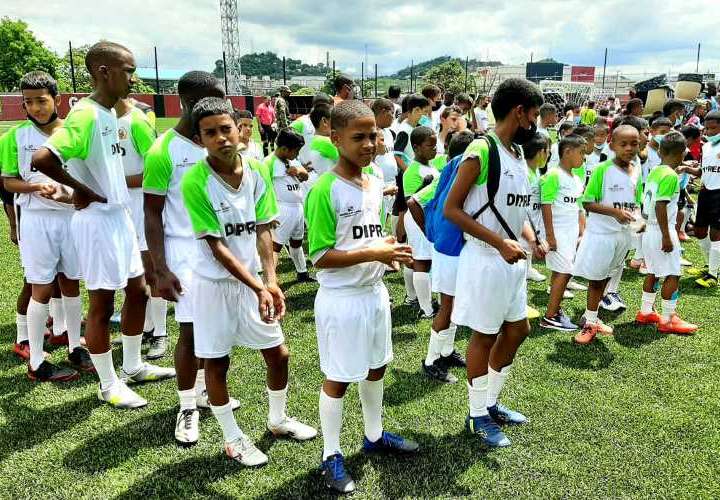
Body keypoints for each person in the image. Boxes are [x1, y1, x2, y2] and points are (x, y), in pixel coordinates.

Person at [31, 41, 175, 406]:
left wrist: (87, 190)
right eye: (128, 71)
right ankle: (108, 385)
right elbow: (43, 157)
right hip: (96, 222)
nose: (133, 78)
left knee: (139, 291)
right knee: (101, 303)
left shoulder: (110, 115)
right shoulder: (85, 115)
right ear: (103, 72)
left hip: (119, 216)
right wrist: (82, 191)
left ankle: (132, 365)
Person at [181, 96, 316, 466]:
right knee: (217, 362)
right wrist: (258, 286)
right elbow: (217, 248)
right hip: (212, 285)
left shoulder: (256, 170)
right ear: (200, 139)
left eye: (226, 129)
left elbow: (262, 231)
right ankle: (233, 438)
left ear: (239, 130)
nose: (222, 138)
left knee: (278, 353)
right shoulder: (196, 181)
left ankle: (277, 419)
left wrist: (270, 280)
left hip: (252, 280)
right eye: (211, 133)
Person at [305, 100, 419, 494]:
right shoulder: (325, 188)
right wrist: (376, 253)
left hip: (374, 295)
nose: (370, 143)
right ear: (335, 138)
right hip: (341, 299)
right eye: (359, 137)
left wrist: (385, 248)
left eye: (373, 135)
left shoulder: (372, 182)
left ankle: (373, 434)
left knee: (376, 368)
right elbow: (320, 256)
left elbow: (364, 238)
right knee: (338, 377)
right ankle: (331, 454)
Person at [444, 78, 546, 448]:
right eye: (534, 115)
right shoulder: (481, 149)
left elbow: (511, 209)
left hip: (511, 259)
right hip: (486, 258)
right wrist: (499, 242)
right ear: (519, 112)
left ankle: (491, 402)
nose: (536, 123)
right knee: (484, 336)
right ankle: (476, 415)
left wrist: (529, 237)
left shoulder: (516, 154)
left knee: (518, 331)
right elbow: (451, 209)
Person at [144, 70, 231, 445]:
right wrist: (159, 268)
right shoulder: (165, 150)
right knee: (191, 331)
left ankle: (205, 392)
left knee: (215, 330)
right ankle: (186, 408)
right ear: (189, 102)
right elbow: (150, 213)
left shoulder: (218, 142)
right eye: (213, 97)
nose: (222, 105)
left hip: (220, 250)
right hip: (184, 252)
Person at [1, 71, 91, 381]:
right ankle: (37, 361)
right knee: (41, 286)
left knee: (71, 282)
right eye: (29, 102)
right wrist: (35, 188)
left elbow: (85, 174)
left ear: (58, 99)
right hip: (37, 220)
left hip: (71, 218)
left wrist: (70, 192)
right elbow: (8, 181)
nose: (36, 107)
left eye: (42, 100)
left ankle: (73, 346)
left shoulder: (73, 133)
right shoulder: (14, 137)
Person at [411, 131, 474, 384]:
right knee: (448, 306)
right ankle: (430, 361)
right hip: (449, 249)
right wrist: (430, 232)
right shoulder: (454, 171)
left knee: (457, 304)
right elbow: (414, 200)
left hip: (459, 247)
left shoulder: (456, 171)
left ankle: (446, 352)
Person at [572, 125, 643, 344]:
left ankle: (591, 316)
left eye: (634, 143)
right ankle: (589, 323)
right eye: (623, 144)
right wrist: (614, 212)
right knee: (596, 279)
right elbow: (587, 202)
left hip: (622, 235)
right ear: (612, 145)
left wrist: (639, 220)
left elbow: (636, 201)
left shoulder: (636, 170)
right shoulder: (603, 169)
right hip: (601, 234)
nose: (629, 148)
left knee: (608, 276)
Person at [114, 97, 164, 358]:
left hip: (140, 205)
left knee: (152, 271)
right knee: (129, 273)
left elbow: (153, 169)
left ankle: (161, 334)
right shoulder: (102, 121)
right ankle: (145, 326)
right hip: (116, 207)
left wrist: (115, 183)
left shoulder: (137, 122)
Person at [636, 131, 698, 334]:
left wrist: (680, 168)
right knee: (673, 274)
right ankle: (668, 319)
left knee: (653, 271)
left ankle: (645, 311)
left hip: (648, 230)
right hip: (663, 229)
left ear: (661, 151)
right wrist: (666, 235)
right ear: (682, 153)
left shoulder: (656, 170)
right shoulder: (670, 176)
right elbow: (661, 206)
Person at [540, 135, 586, 331]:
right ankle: (550, 316)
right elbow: (546, 205)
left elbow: (578, 206)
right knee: (566, 271)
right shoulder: (553, 175)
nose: (584, 157)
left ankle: (555, 310)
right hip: (557, 233)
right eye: (581, 152)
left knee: (561, 271)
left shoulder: (576, 178)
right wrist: (550, 236)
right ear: (567, 152)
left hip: (570, 234)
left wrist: (582, 230)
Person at [402, 126, 439, 319]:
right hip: (418, 219)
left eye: (435, 144)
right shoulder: (412, 171)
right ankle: (426, 309)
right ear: (416, 147)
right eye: (429, 145)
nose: (434, 148)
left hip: (430, 219)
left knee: (427, 259)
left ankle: (425, 300)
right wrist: (424, 227)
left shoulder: (431, 166)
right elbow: (411, 199)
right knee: (421, 260)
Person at [268, 128, 312, 282]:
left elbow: (305, 176)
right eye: (296, 151)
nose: (298, 154)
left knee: (297, 242)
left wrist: (299, 170)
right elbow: (261, 189)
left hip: (298, 207)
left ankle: (302, 273)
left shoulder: (293, 161)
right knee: (275, 246)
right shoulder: (269, 163)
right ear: (285, 149)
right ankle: (269, 282)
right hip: (282, 209)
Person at [692, 111, 720, 287]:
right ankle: (708, 265)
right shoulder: (706, 146)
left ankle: (713, 275)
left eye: (713, 128)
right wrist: (689, 170)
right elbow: (704, 170)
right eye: (706, 128)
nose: (709, 132)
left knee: (716, 234)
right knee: (699, 231)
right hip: (705, 192)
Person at [523, 132, 551, 284]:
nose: (549, 154)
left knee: (527, 252)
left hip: (533, 221)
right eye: (548, 151)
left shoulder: (536, 170)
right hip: (523, 225)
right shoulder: (524, 173)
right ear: (540, 152)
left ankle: (528, 269)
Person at [371, 98, 400, 224]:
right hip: (377, 183)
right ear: (383, 112)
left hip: (390, 183)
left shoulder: (388, 132)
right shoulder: (370, 132)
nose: (393, 118)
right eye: (391, 114)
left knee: (385, 217)